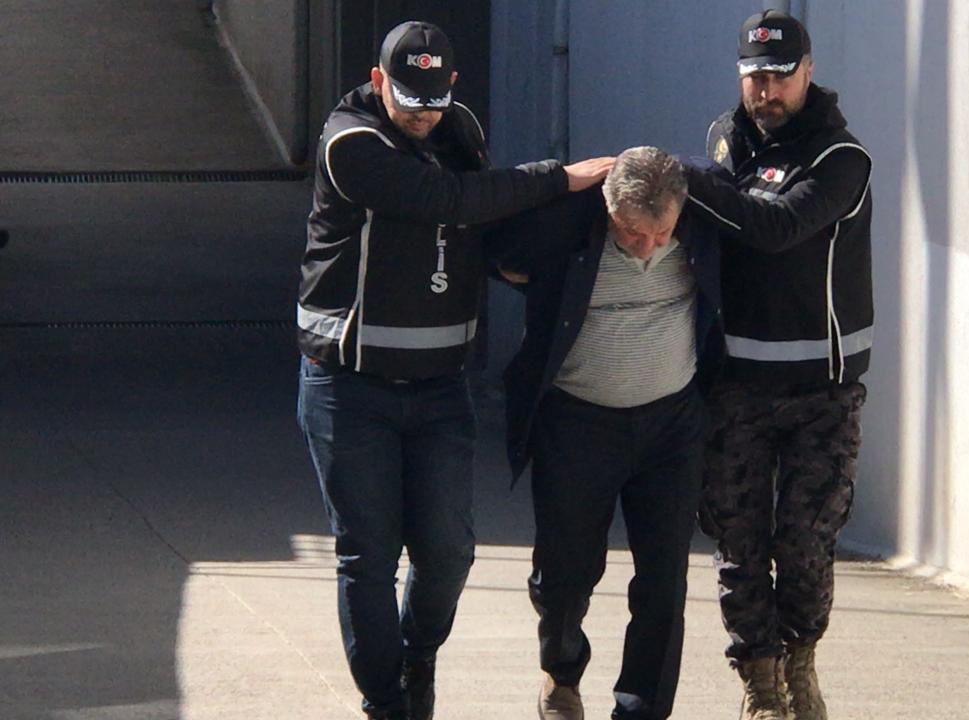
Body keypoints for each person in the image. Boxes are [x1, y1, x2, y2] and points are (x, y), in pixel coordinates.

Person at [295, 20, 612, 720]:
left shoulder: (457, 126)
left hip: (440, 383)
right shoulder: (350, 142)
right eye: (409, 101)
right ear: (377, 81)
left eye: (434, 101)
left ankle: (418, 655)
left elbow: (475, 225)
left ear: (452, 86)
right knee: (368, 556)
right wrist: (558, 178)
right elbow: (446, 201)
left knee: (448, 553)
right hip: (349, 382)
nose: (423, 115)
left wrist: (511, 264)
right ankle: (387, 704)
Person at [681, 10, 874, 720]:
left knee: (804, 540)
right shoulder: (725, 142)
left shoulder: (841, 158)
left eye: (781, 76)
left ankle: (800, 660)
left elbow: (778, 227)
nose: (767, 91)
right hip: (737, 383)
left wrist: (690, 181)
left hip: (822, 389)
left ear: (808, 73)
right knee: (738, 538)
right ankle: (759, 682)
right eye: (755, 77)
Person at [490, 147, 722, 720]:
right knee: (565, 575)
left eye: (660, 234)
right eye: (632, 233)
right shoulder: (569, 224)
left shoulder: (703, 221)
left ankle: (642, 707)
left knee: (664, 581)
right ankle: (561, 672)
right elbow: (493, 244)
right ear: (608, 209)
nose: (647, 247)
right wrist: (547, 196)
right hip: (578, 423)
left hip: (671, 425)